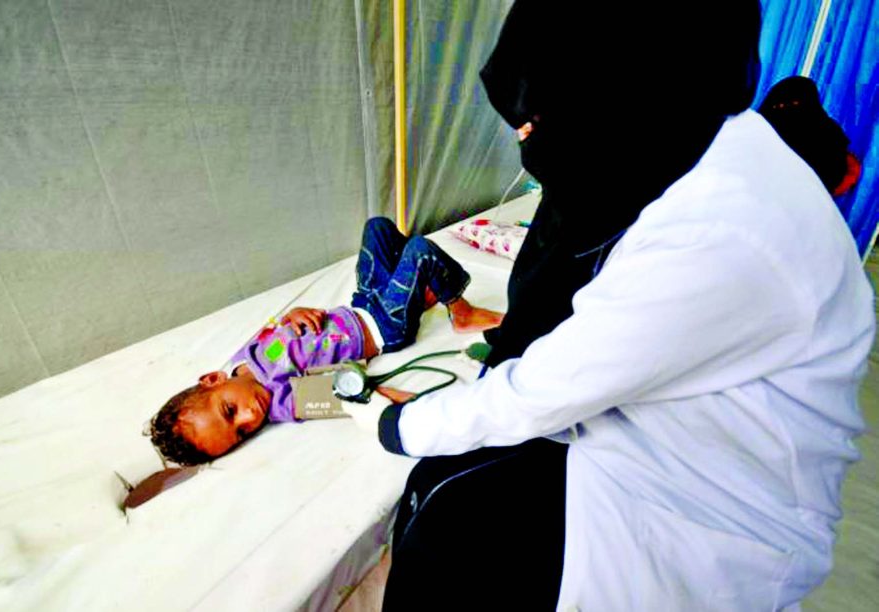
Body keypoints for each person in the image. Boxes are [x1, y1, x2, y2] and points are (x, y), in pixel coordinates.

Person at [366, 1, 875, 610]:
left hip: (707, 515)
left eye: (535, 117)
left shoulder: (718, 225)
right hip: (679, 443)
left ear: (606, 87)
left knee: (449, 520)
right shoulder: (705, 143)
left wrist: (409, 425)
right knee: (448, 491)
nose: (525, 137)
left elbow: (553, 383)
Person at [148, 217, 502, 465]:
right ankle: (460, 310)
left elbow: (278, 332)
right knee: (421, 251)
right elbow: (347, 397)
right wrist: (426, 405)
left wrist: (294, 313)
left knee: (377, 227)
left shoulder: (244, 359)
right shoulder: (282, 401)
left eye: (230, 410)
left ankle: (416, 290)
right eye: (241, 432)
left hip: (362, 303)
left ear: (213, 379)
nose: (251, 416)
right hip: (384, 326)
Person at [759, 75, 862, 197]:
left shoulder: (829, 136)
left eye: (794, 104)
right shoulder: (756, 131)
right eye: (778, 106)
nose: (785, 111)